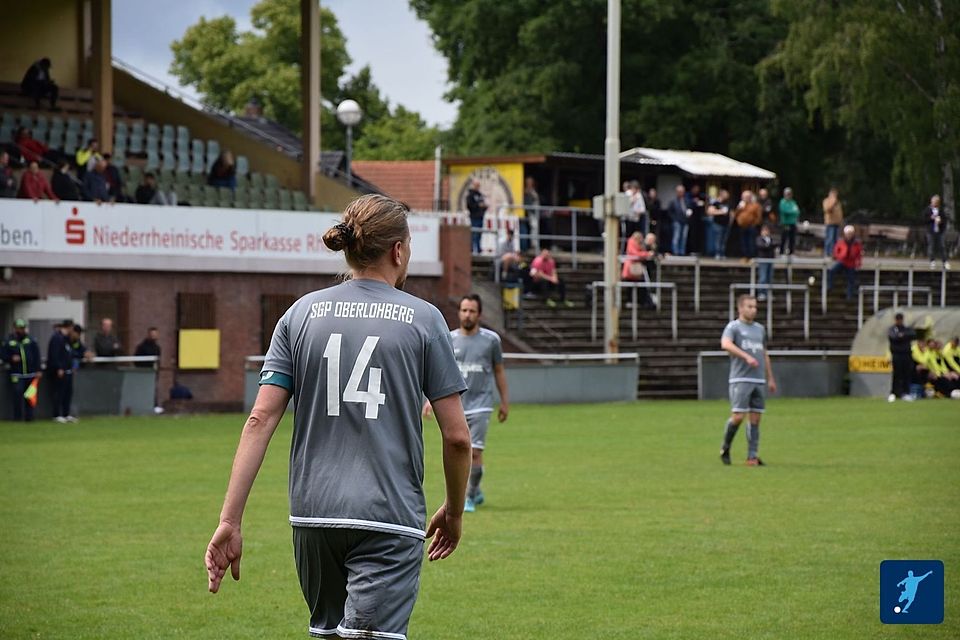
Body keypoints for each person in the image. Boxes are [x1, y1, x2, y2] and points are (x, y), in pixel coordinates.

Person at [204, 194, 472, 640]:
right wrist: (455, 512)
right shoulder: (425, 320)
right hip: (387, 516)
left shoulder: (299, 314)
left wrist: (230, 521)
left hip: (313, 517)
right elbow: (458, 437)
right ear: (398, 250)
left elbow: (259, 420)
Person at [423, 294, 509, 512]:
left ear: (479, 315)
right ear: (459, 312)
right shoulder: (449, 338)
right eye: (464, 310)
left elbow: (499, 371)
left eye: (472, 311)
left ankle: (468, 497)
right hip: (456, 406)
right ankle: (476, 490)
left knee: (474, 452)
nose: (467, 315)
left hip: (481, 404)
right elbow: (439, 374)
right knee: (460, 450)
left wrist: (504, 402)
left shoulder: (491, 340)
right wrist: (430, 400)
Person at [720, 295, 777, 466]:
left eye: (755, 307)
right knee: (738, 416)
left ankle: (752, 456)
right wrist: (745, 356)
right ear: (740, 308)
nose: (753, 310)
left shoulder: (759, 329)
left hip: (758, 379)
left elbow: (764, 353)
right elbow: (726, 344)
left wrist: (770, 378)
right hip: (741, 378)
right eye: (750, 306)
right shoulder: (734, 327)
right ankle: (725, 447)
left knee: (755, 418)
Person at [1, 319, 42, 422]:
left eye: (23, 328)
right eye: (19, 328)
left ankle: (29, 417)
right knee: (17, 394)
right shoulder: (8, 341)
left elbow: (37, 356)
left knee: (30, 396)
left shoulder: (31, 340)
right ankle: (17, 417)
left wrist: (38, 369)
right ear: (15, 328)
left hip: (30, 373)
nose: (21, 330)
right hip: (17, 374)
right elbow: (3, 355)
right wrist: (11, 358)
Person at [47, 320, 78, 423]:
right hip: (60, 371)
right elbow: (54, 355)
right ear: (68, 327)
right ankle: (57, 414)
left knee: (68, 393)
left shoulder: (67, 339)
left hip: (68, 371)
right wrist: (58, 368)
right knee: (58, 393)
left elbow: (71, 353)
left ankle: (66, 413)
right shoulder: (57, 338)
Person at [827, 225, 862, 300]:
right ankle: (830, 286)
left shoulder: (856, 243)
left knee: (851, 280)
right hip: (842, 261)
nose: (849, 235)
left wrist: (858, 263)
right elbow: (836, 251)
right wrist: (838, 256)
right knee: (831, 271)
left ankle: (849, 296)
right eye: (848, 233)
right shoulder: (841, 242)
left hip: (851, 263)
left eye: (850, 233)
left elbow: (859, 254)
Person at [888, 313, 917, 402]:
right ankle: (894, 393)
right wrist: (902, 337)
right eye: (898, 319)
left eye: (900, 319)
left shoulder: (906, 329)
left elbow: (913, 334)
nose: (899, 321)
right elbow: (893, 337)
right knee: (897, 374)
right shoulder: (892, 329)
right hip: (897, 355)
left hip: (906, 355)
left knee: (906, 374)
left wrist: (902, 335)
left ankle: (905, 393)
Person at [922, 194, 950, 270]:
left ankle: (945, 262)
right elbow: (923, 220)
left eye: (936, 202)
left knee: (942, 246)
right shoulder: (927, 210)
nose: (935, 203)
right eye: (934, 202)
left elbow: (945, 220)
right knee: (931, 246)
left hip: (940, 231)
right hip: (930, 231)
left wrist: (941, 222)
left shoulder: (941, 211)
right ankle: (932, 261)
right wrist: (931, 218)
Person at [734, 190, 762, 260]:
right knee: (743, 242)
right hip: (742, 226)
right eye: (743, 197)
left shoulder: (755, 205)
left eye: (747, 197)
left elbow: (759, 216)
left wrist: (755, 224)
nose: (745, 198)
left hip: (751, 226)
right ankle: (745, 256)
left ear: (750, 197)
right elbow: (736, 214)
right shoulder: (741, 205)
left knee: (751, 242)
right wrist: (739, 208)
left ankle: (751, 256)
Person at [705, 189, 731, 259]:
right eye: (726, 194)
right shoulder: (715, 203)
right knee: (718, 239)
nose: (728, 196)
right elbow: (710, 212)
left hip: (726, 224)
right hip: (718, 224)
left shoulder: (727, 203)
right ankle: (717, 253)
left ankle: (722, 253)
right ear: (722, 195)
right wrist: (721, 212)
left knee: (724, 240)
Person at [667, 184, 691, 256]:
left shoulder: (686, 200)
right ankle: (675, 251)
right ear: (677, 192)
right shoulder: (673, 201)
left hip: (685, 221)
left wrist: (689, 213)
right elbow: (669, 212)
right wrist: (674, 219)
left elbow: (689, 208)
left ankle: (682, 252)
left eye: (682, 191)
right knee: (676, 237)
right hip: (677, 221)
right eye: (679, 191)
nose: (681, 193)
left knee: (684, 237)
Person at [466, 178, 487, 254]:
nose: (478, 187)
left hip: (480, 217)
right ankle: (472, 250)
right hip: (474, 217)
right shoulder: (470, 195)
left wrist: (484, 207)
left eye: (478, 185)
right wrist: (478, 206)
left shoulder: (480, 195)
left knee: (479, 234)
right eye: (476, 185)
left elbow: (483, 204)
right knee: (474, 233)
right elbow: (469, 206)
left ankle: (478, 249)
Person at [756, 224, 775, 301]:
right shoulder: (759, 239)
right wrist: (768, 246)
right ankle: (761, 293)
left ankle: (768, 293)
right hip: (763, 260)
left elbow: (774, 245)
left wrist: (768, 246)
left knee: (769, 278)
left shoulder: (771, 239)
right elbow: (761, 246)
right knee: (763, 277)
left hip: (770, 260)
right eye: (764, 231)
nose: (765, 232)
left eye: (767, 231)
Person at [524, 176, 544, 250]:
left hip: (536, 211)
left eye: (531, 182)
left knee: (536, 228)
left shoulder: (534, 190)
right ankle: (533, 244)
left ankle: (535, 244)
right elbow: (527, 202)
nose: (530, 183)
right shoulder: (526, 191)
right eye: (528, 182)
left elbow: (537, 199)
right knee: (533, 227)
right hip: (531, 212)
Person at [822, 188, 844, 257]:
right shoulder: (826, 201)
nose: (835, 196)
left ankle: (834, 253)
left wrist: (841, 221)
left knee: (836, 239)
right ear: (830, 194)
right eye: (833, 194)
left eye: (836, 195)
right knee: (830, 238)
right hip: (830, 223)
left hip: (837, 223)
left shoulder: (838, 203)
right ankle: (827, 253)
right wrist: (833, 203)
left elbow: (840, 213)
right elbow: (827, 209)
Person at [778, 187, 800, 256]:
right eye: (787, 194)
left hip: (792, 223)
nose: (788, 195)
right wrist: (792, 211)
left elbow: (797, 212)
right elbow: (784, 211)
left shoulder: (793, 202)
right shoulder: (782, 202)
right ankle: (781, 251)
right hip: (785, 223)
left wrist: (792, 211)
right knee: (784, 237)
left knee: (792, 238)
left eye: (789, 194)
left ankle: (791, 252)